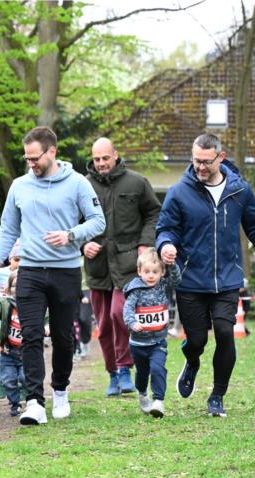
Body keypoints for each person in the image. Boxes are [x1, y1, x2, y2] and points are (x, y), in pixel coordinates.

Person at [0, 126, 106, 426]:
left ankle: (60, 390)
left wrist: (71, 235)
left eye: (35, 158)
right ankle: (35, 401)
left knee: (64, 338)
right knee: (31, 335)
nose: (31, 164)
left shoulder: (77, 183)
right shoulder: (19, 186)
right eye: (26, 159)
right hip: (30, 271)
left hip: (65, 272)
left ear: (52, 152)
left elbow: (98, 221)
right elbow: (9, 229)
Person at [156, 133, 255, 417]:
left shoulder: (239, 191)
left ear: (220, 158)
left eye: (206, 162)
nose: (200, 167)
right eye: (196, 161)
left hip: (227, 278)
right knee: (197, 340)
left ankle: (217, 395)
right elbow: (166, 228)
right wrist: (165, 246)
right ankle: (192, 360)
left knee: (226, 333)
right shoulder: (180, 191)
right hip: (190, 280)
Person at [83, 137, 162, 397]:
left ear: (115, 155)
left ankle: (125, 366)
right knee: (104, 325)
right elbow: (72, 220)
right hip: (98, 265)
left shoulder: (136, 182)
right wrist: (83, 244)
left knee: (120, 313)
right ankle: (113, 374)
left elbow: (153, 213)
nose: (102, 163)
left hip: (129, 264)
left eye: (106, 157)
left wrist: (145, 243)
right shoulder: (83, 185)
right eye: (97, 159)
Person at [122, 249, 182, 418]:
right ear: (139, 271)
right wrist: (132, 322)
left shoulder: (163, 285)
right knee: (142, 373)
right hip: (138, 343)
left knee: (158, 369)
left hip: (158, 342)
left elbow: (177, 280)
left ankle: (158, 401)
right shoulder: (135, 290)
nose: (150, 276)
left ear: (162, 272)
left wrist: (171, 264)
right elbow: (127, 309)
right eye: (146, 272)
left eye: (155, 272)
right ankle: (142, 393)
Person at [0, 270, 26, 417]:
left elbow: (46, 317)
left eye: (21, 284)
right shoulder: (6, 303)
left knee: (26, 378)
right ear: (8, 288)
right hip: (8, 351)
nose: (17, 288)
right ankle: (14, 404)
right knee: (8, 381)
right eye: (14, 285)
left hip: (27, 352)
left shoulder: (33, 303)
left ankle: (32, 400)